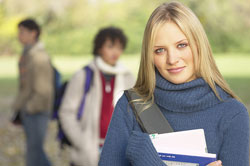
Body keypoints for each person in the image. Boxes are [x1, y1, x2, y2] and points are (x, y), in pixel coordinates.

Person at [99, 2, 249, 166]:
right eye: (160, 50)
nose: (172, 59)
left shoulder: (233, 114)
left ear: (200, 45)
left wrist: (149, 160)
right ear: (150, 56)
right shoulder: (130, 106)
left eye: (182, 45)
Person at [59, 26, 135, 166]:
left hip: (119, 151)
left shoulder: (128, 77)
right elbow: (66, 112)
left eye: (119, 47)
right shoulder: (83, 75)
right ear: (99, 48)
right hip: (88, 152)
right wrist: (82, 142)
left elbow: (135, 113)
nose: (115, 52)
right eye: (110, 46)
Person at [12, 19, 53, 166]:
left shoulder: (38, 56)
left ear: (33, 33)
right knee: (35, 153)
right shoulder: (28, 54)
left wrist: (28, 108)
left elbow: (43, 90)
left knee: (34, 155)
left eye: (22, 32)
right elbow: (25, 86)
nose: (19, 36)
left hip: (37, 111)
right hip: (29, 111)